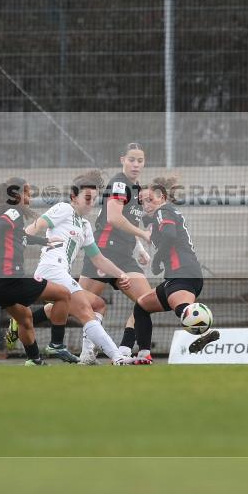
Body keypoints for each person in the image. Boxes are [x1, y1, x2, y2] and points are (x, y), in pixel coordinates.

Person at [22, 170, 142, 366]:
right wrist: (17, 240)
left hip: (60, 274)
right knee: (85, 310)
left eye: (94, 199)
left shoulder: (85, 225)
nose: (91, 202)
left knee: (97, 304)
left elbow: (99, 259)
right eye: (87, 198)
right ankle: (117, 357)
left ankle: (22, 322)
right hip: (51, 270)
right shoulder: (63, 209)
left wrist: (120, 274)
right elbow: (36, 226)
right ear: (73, 198)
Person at [0, 178, 73, 366]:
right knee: (63, 295)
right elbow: (2, 225)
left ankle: (34, 359)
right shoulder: (12, 212)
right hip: (8, 281)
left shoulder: (0, 215)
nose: (29, 197)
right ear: (16, 195)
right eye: (27, 193)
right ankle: (57, 344)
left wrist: (44, 242)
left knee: (25, 318)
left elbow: (19, 235)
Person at [75, 143, 154, 364]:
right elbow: (113, 218)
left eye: (140, 160)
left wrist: (139, 248)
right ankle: (86, 350)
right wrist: (144, 235)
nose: (136, 164)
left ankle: (126, 348)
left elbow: (129, 220)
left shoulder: (138, 190)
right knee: (77, 302)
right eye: (132, 160)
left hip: (124, 256)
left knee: (147, 301)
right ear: (122, 160)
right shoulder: (119, 183)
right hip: (103, 251)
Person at [130, 176, 220, 363]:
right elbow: (150, 225)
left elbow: (169, 235)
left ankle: (208, 332)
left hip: (183, 272)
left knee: (183, 309)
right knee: (141, 306)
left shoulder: (164, 210)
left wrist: (157, 260)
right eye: (142, 201)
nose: (145, 204)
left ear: (162, 198)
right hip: (181, 275)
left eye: (150, 200)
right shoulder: (161, 214)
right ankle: (143, 354)